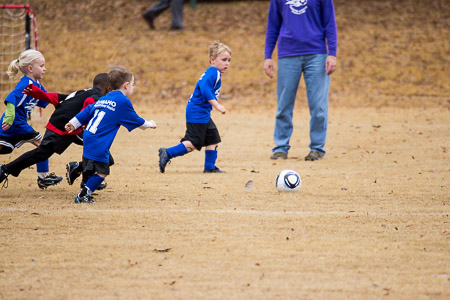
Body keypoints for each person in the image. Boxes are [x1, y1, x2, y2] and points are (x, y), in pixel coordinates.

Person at [0, 73, 110, 189]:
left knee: (100, 151)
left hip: (65, 124)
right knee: (42, 153)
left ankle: (83, 175)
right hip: (64, 126)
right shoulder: (97, 97)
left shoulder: (85, 91)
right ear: (108, 87)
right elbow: (88, 103)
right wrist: (82, 124)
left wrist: (41, 95)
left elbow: (62, 98)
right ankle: (5, 169)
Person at [65, 66, 157, 203]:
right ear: (126, 85)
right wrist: (149, 124)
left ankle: (77, 168)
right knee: (102, 172)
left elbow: (88, 110)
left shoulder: (104, 98)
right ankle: (83, 195)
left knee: (95, 164)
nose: (133, 87)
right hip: (99, 140)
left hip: (89, 135)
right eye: (132, 84)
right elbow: (137, 121)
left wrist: (73, 123)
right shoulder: (123, 101)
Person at [264, 0, 338, 161]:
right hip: (287, 55)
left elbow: (330, 23)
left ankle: (317, 148)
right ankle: (281, 148)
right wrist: (267, 56)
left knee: (318, 106)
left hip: (317, 55)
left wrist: (332, 53)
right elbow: (273, 25)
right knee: (284, 105)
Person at [158, 41, 231, 174]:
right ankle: (167, 153)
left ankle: (209, 168)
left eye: (229, 60)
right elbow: (204, 89)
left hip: (201, 112)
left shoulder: (213, 72)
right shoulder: (214, 72)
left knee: (213, 138)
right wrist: (217, 105)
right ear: (212, 59)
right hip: (197, 112)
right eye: (224, 60)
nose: (227, 63)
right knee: (193, 142)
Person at [0, 49, 62, 189]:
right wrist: (9, 117)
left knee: (3, 148)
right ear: (30, 68)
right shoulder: (26, 84)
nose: (44, 69)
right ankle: (43, 178)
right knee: (43, 144)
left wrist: (66, 105)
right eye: (41, 66)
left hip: (16, 125)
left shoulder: (37, 85)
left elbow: (48, 98)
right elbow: (11, 98)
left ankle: (43, 178)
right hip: (15, 123)